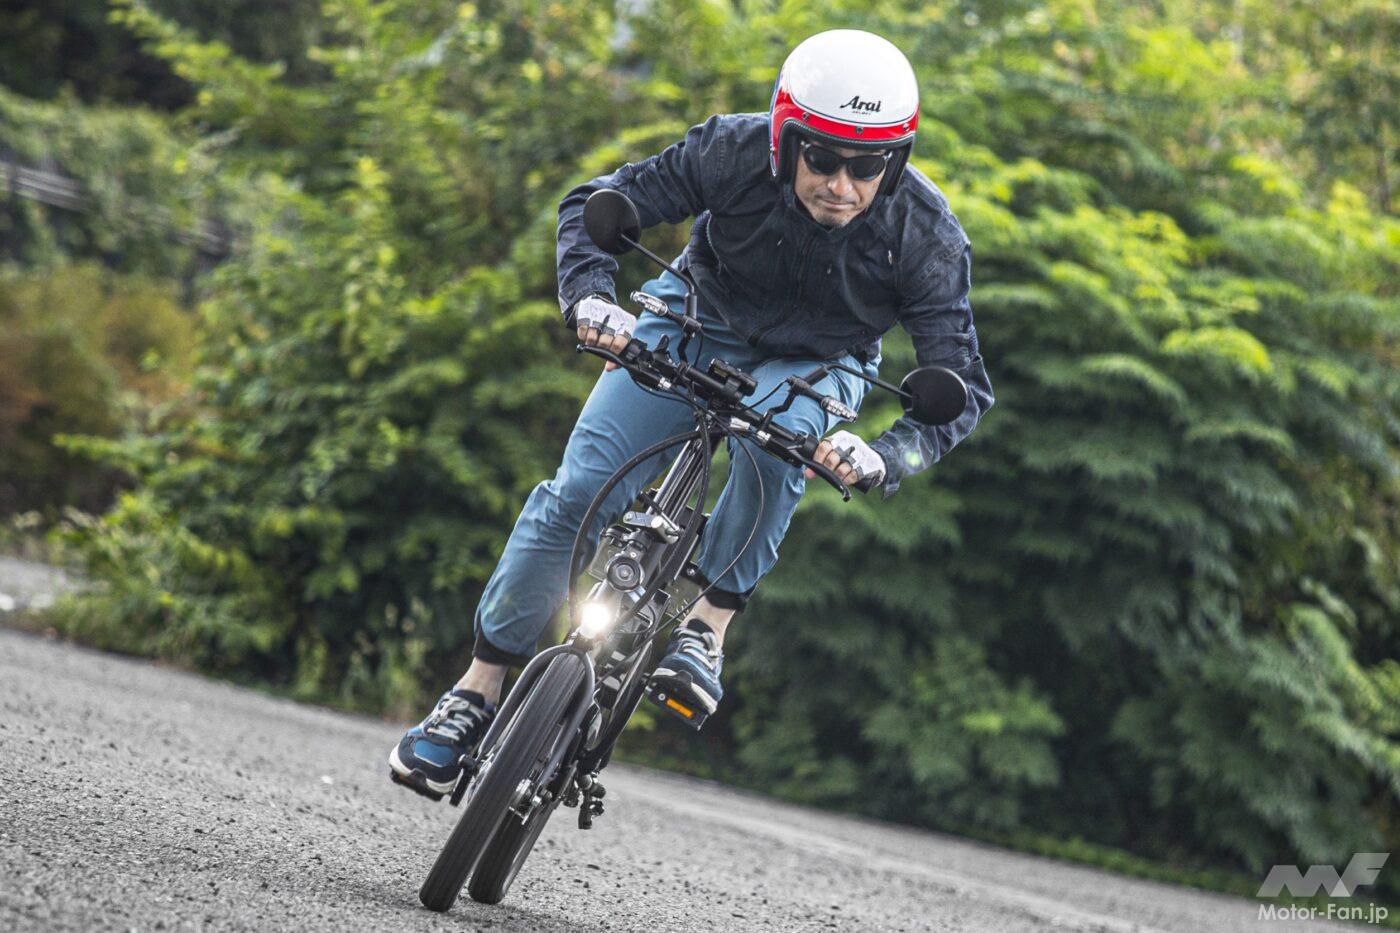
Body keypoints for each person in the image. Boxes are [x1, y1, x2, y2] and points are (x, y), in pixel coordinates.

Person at [390, 29, 994, 799]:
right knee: (576, 493)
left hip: (822, 360)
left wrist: (887, 453)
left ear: (895, 162)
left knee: (784, 439)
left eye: (867, 166)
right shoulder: (728, 151)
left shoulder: (928, 234)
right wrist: (591, 298)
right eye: (821, 158)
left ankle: (707, 626)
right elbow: (595, 204)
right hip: (693, 315)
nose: (841, 185)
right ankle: (474, 691)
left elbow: (962, 386)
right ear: (784, 140)